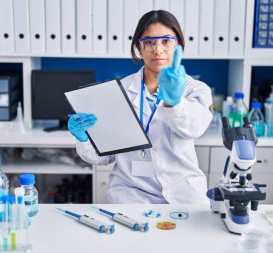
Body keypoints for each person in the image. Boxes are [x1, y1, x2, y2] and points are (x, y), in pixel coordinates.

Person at [68, 10, 213, 204]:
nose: (158, 50)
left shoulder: (195, 89)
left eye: (166, 41)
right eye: (149, 42)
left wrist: (175, 102)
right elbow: (103, 157)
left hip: (182, 194)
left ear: (178, 44)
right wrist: (84, 138)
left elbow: (194, 128)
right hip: (131, 194)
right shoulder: (118, 91)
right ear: (139, 47)